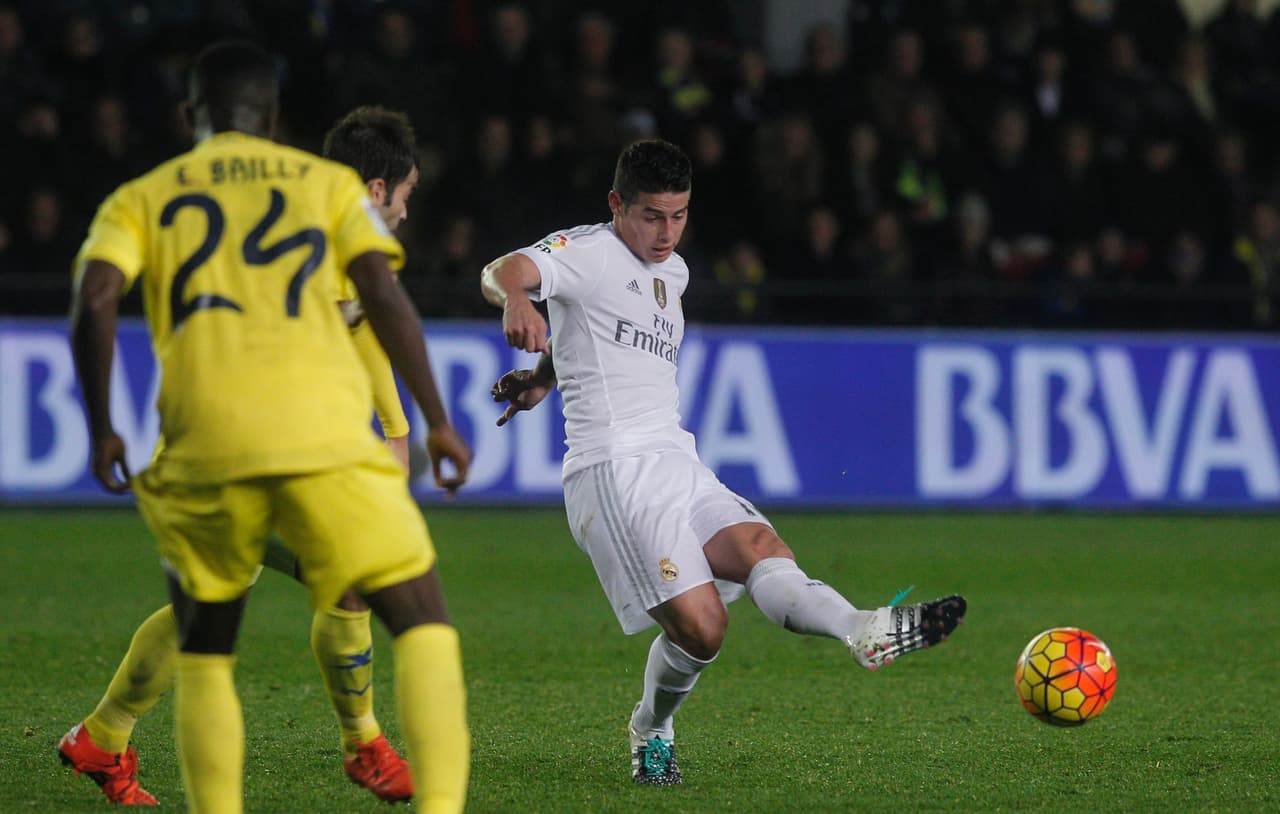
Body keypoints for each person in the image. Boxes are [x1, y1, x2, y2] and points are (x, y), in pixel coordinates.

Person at [481, 138, 966, 785]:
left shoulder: (673, 271)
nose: (666, 232)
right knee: (703, 630)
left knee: (764, 547)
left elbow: (594, 329)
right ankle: (651, 729)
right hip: (614, 474)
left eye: (678, 215)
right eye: (652, 215)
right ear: (616, 203)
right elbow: (505, 271)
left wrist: (545, 376)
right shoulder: (587, 251)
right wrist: (517, 301)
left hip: (674, 456)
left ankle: (864, 629)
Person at [66, 41, 470, 813]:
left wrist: (100, 427)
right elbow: (377, 300)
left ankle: (105, 735)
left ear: (191, 115)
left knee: (209, 630)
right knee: (404, 604)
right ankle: (375, 752)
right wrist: (437, 424)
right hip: (296, 438)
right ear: (274, 117)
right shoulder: (324, 196)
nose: (409, 211)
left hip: (197, 442)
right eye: (407, 195)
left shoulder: (144, 193)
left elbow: (95, 295)